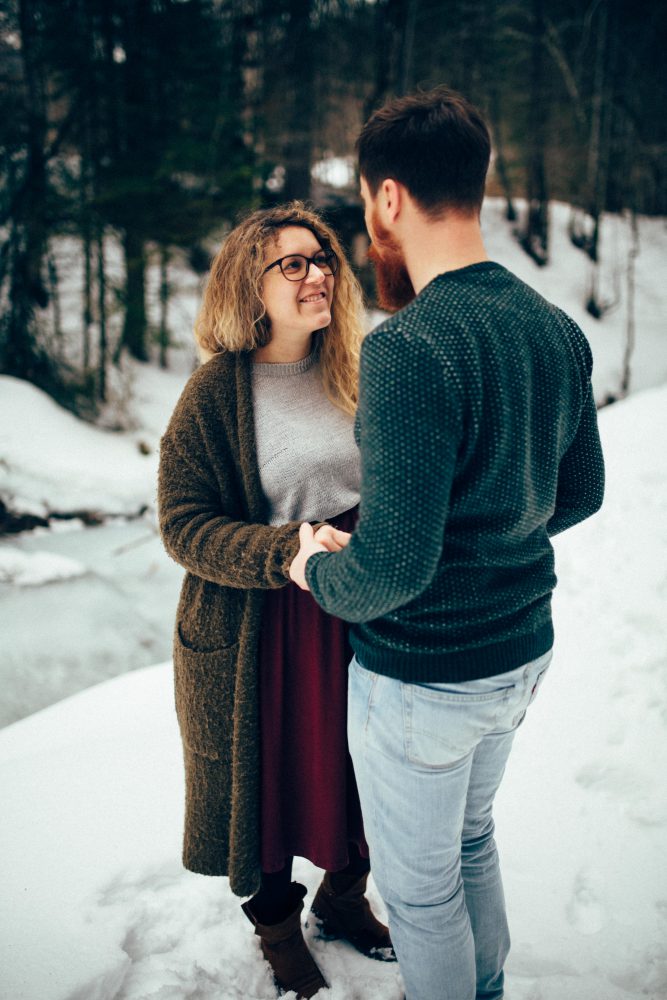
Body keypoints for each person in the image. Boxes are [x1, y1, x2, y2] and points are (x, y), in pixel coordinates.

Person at [290, 87, 605, 1000]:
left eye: (363, 202)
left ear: (387, 199)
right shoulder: (553, 328)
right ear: (479, 182)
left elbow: (391, 566)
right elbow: (576, 494)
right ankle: (489, 988)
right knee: (471, 841)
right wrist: (490, 527)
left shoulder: (409, 348)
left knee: (420, 893)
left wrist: (316, 566)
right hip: (519, 654)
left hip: (424, 675)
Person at [158, 203, 395, 1000]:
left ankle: (341, 898)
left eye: (321, 256)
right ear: (248, 286)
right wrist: (281, 552)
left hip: (360, 614)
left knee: (361, 771)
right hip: (263, 626)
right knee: (267, 785)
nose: (317, 272)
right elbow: (183, 526)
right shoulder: (213, 394)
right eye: (291, 263)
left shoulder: (357, 369)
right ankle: (276, 927)